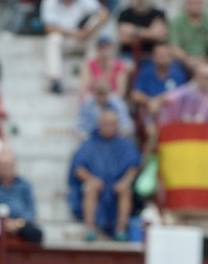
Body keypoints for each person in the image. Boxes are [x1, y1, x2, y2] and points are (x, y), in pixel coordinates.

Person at [69, 108, 139, 241]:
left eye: (113, 124)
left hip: (116, 186)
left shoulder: (125, 145)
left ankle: (121, 229)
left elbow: (133, 166)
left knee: (125, 189)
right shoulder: (89, 144)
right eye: (106, 124)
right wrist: (91, 179)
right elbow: (78, 168)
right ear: (99, 124)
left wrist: (125, 181)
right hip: (96, 186)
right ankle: (90, 229)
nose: (109, 127)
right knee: (91, 187)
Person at [42, 0, 110, 95]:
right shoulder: (50, 2)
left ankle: (95, 78)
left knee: (96, 39)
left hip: (84, 37)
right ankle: (55, 80)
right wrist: (74, 33)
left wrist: (88, 29)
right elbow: (48, 28)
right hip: (65, 38)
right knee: (53, 39)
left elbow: (104, 14)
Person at [0, 152, 44, 244]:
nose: (4, 168)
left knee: (35, 233)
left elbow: (31, 210)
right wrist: (1, 223)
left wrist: (18, 223)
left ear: (14, 166)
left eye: (7, 165)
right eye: (2, 165)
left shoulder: (25, 185)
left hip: (21, 223)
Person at [169, 0, 208, 70]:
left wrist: (204, 59)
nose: (195, 6)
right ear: (186, 4)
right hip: (183, 61)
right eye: (191, 3)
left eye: (198, 3)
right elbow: (174, 47)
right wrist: (188, 59)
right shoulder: (177, 21)